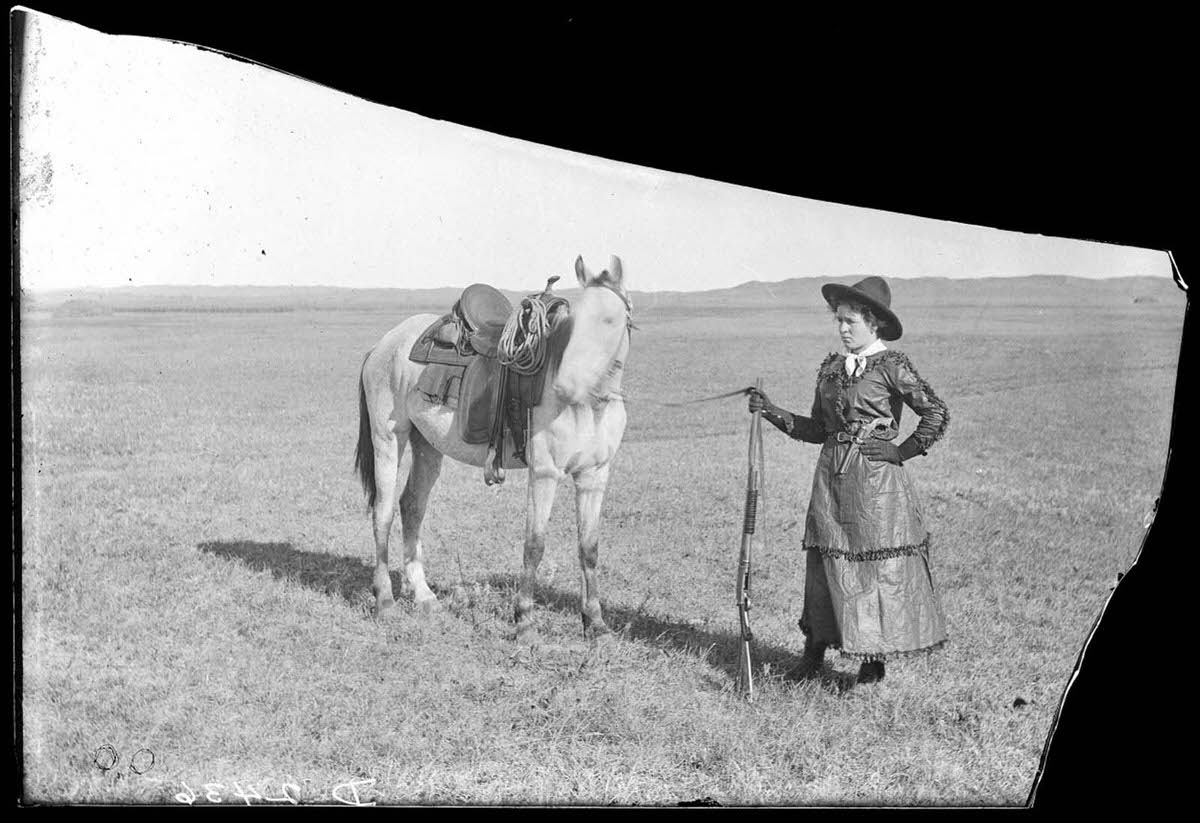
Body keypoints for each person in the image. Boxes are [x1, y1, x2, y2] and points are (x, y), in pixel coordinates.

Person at [748, 276, 950, 685]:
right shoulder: (831, 368)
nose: (842, 328)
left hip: (876, 485)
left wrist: (900, 451)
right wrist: (770, 411)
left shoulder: (892, 366)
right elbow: (817, 428)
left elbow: (936, 414)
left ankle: (872, 666)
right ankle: (813, 655)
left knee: (874, 570)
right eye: (838, 320)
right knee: (825, 563)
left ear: (873, 324)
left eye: (850, 321)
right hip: (830, 482)